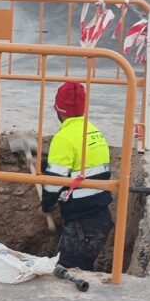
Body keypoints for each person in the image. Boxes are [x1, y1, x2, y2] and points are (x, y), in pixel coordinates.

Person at [40, 81, 114, 271]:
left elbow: (53, 183)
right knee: (77, 270)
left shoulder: (63, 138)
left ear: (58, 109)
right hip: (99, 216)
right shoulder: (93, 130)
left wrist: (46, 206)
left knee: (67, 273)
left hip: (83, 224)